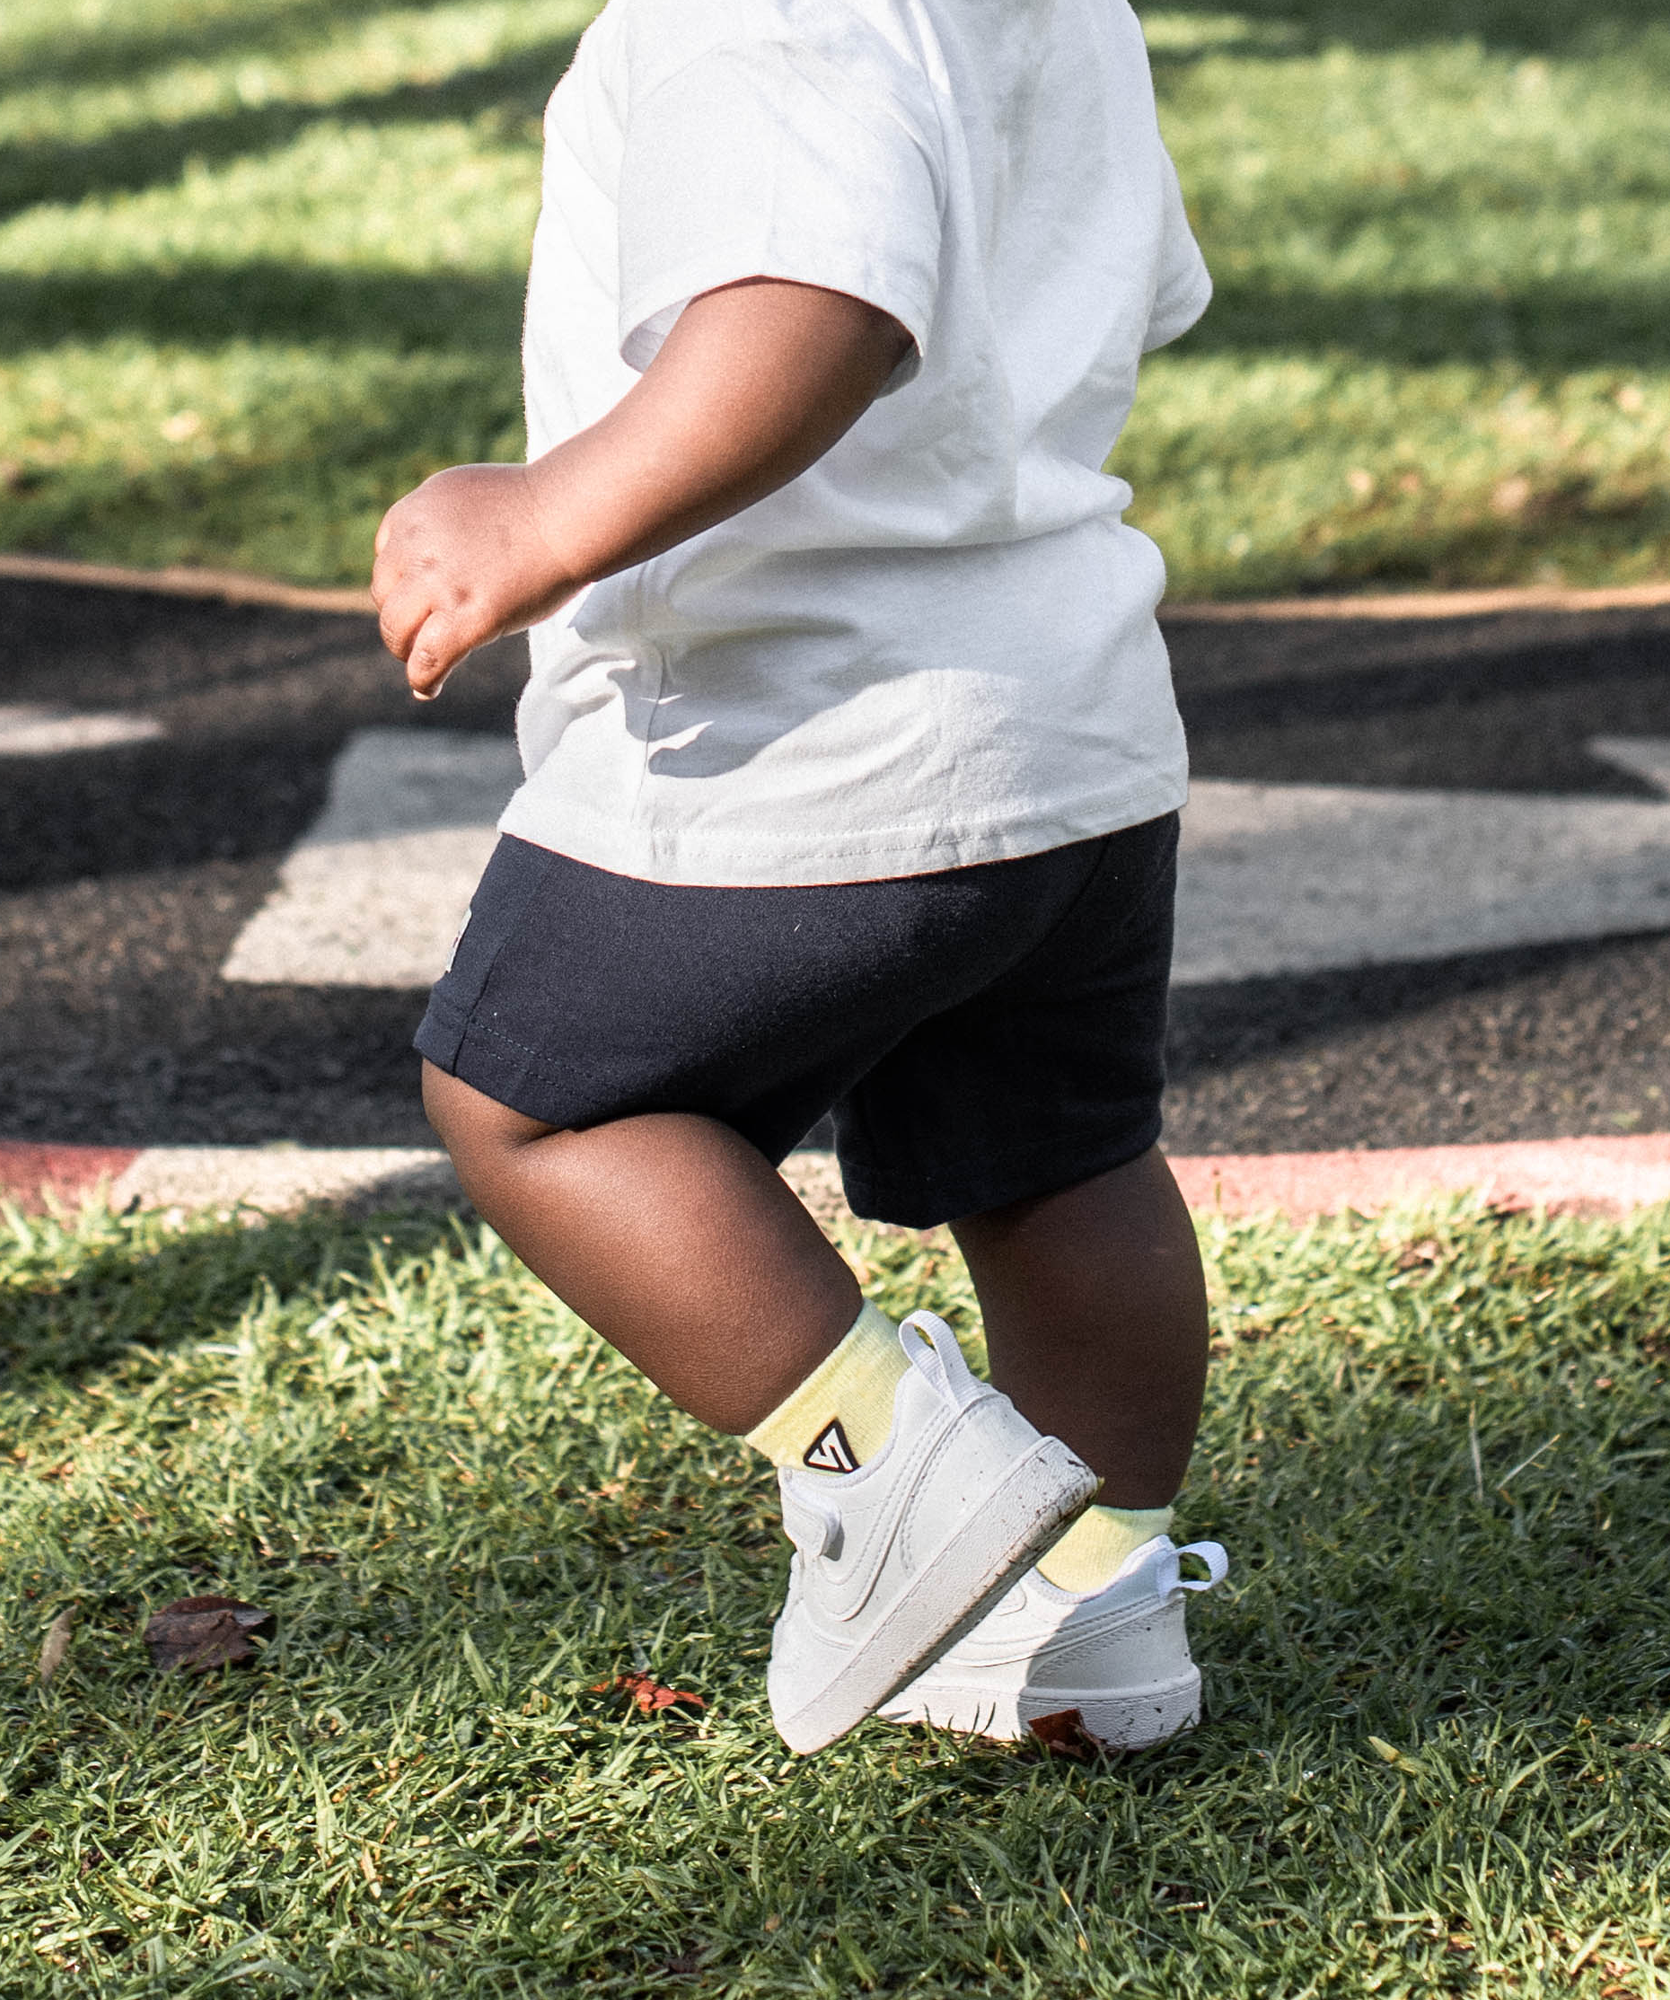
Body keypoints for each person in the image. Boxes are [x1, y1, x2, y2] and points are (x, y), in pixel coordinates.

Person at [370, 0, 1227, 1754]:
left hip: (795, 737)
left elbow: (813, 305)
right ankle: (1096, 1611)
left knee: (535, 1103)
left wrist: (545, 516)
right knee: (1060, 1165)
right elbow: (1108, 285)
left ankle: (884, 1461)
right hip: (1069, 730)